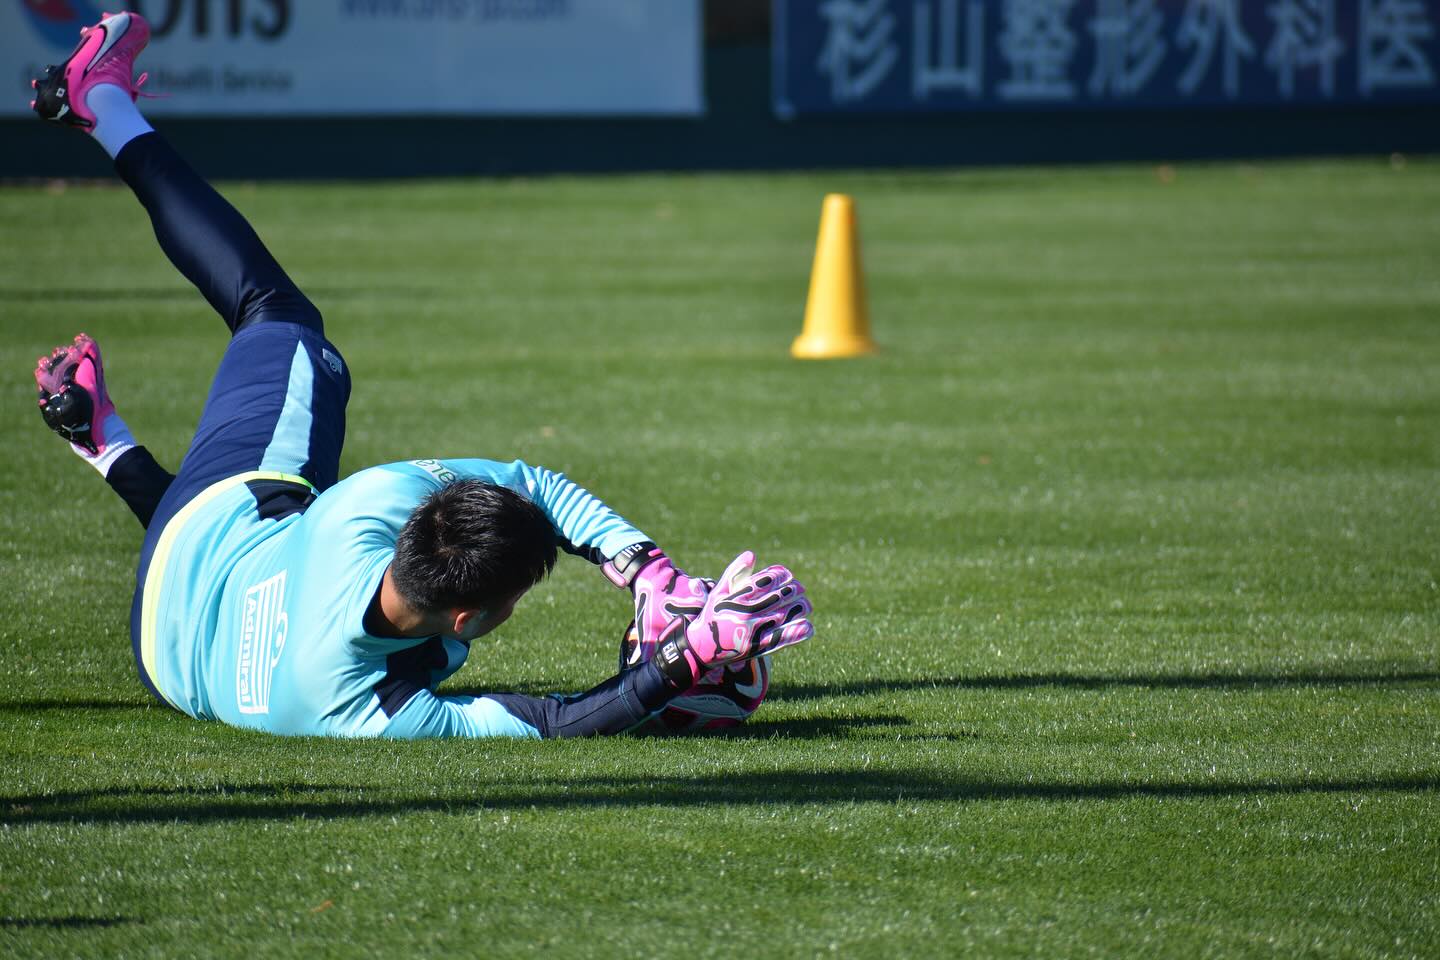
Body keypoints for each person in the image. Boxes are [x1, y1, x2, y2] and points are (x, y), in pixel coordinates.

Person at [28, 12, 814, 739]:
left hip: (203, 541)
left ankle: (105, 108)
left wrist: (655, 581)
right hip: (162, 647)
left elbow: (532, 497)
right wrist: (682, 642)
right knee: (278, 323)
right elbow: (557, 721)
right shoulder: (358, 703)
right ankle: (97, 108)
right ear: (467, 620)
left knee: (279, 325)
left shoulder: (361, 512)